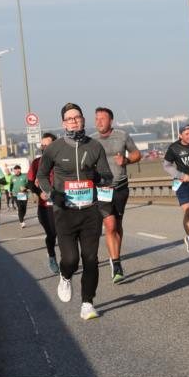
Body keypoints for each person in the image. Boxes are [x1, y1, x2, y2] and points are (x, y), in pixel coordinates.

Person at [38, 103, 113, 320]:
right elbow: (41, 176)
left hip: (90, 211)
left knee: (90, 259)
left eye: (77, 117)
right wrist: (52, 194)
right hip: (65, 211)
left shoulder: (95, 146)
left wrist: (100, 180)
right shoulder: (54, 148)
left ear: (83, 120)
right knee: (70, 259)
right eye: (69, 118)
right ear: (63, 123)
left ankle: (87, 303)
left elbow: (107, 175)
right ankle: (65, 275)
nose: (74, 121)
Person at [91, 107, 142, 283]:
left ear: (110, 120)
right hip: (102, 189)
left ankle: (116, 256)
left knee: (118, 225)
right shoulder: (91, 140)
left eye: (102, 119)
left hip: (121, 187)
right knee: (110, 225)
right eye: (96, 118)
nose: (98, 122)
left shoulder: (122, 135)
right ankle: (116, 263)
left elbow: (137, 154)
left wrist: (126, 160)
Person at [163, 124, 189, 255]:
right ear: (180, 135)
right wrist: (181, 175)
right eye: (187, 134)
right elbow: (167, 165)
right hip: (182, 183)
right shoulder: (174, 148)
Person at [28, 133, 60, 275]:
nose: (44, 148)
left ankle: (67, 260)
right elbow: (30, 183)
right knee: (52, 234)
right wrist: (38, 191)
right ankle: (52, 256)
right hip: (45, 206)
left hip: (62, 204)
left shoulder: (61, 161)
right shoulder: (36, 163)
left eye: (48, 145)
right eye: (43, 145)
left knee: (65, 234)